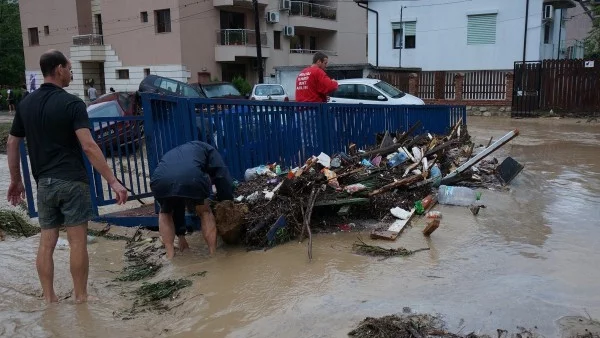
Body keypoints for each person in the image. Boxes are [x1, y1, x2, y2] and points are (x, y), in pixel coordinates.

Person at [6, 49, 128, 304]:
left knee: (46, 242)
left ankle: (49, 299)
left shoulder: (25, 104)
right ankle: (81, 298)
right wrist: (113, 181)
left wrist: (16, 180)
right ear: (59, 69)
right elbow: (89, 146)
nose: (71, 73)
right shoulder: (72, 103)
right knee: (77, 243)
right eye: (70, 69)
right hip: (72, 181)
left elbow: (12, 143)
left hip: (44, 184)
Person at [150, 141, 234, 259]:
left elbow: (178, 200)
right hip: (191, 177)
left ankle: (170, 255)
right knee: (204, 212)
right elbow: (222, 175)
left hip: (160, 180)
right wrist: (226, 199)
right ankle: (213, 254)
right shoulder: (209, 150)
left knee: (165, 212)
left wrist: (181, 235)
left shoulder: (175, 152)